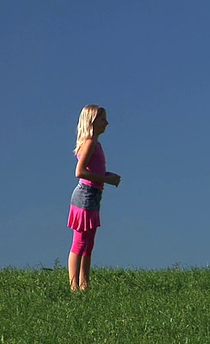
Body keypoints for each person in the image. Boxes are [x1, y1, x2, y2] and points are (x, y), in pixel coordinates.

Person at [66, 105, 121, 291]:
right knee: (80, 243)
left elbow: (93, 170)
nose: (107, 123)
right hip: (85, 196)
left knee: (88, 244)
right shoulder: (89, 143)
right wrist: (106, 179)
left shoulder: (96, 144)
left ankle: (85, 284)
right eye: (102, 119)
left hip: (93, 196)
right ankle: (74, 286)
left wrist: (107, 176)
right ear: (92, 121)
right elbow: (79, 172)